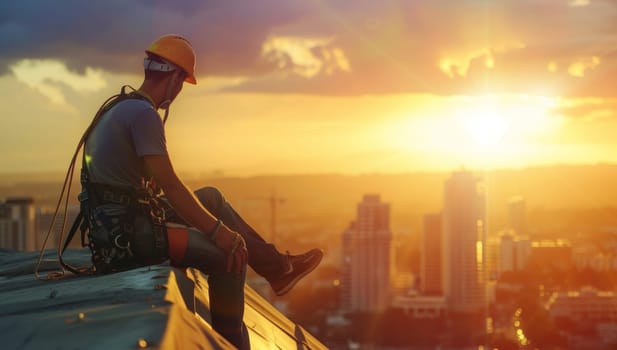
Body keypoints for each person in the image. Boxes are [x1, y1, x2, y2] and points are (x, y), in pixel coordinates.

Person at [80, 34, 323, 349]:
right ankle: (231, 342)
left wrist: (212, 220)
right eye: (181, 82)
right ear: (176, 79)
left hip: (117, 229)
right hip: (129, 240)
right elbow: (171, 186)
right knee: (229, 255)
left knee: (210, 196)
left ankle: (278, 269)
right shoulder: (143, 115)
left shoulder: (121, 106)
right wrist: (219, 231)